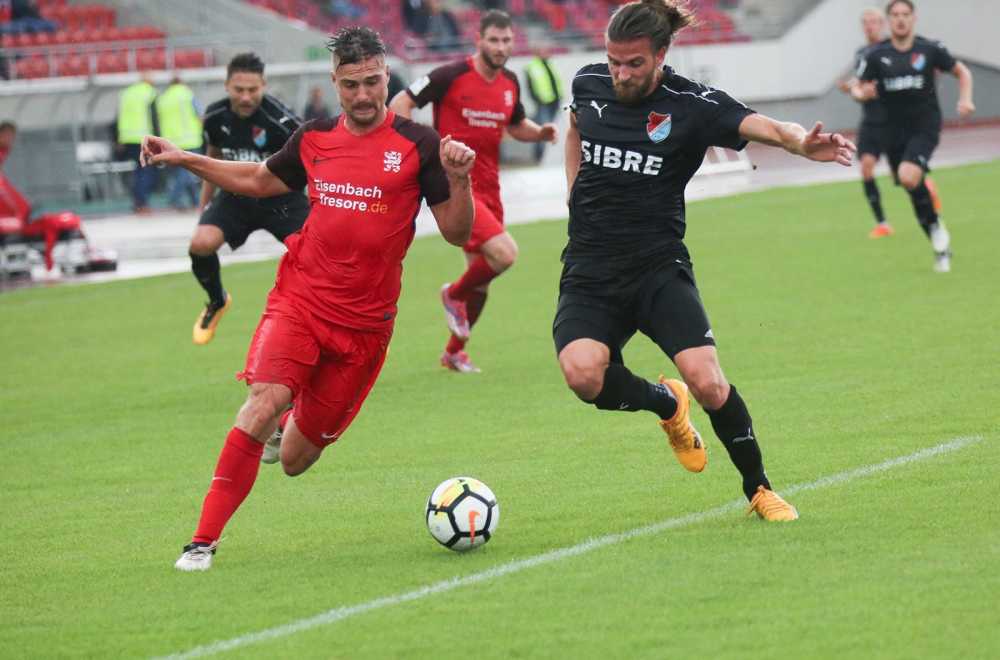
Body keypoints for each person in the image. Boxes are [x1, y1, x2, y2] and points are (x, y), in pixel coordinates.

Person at [141, 26, 476, 571]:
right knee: (261, 403)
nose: (363, 95)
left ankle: (288, 422)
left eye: (373, 81)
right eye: (351, 84)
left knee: (296, 459)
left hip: (365, 328)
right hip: (299, 300)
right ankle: (201, 544)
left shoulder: (420, 144)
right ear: (334, 83)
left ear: (387, 76)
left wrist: (460, 181)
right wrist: (184, 158)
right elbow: (258, 180)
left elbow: (458, 234)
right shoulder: (313, 138)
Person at [557, 0, 856, 521]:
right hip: (590, 268)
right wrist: (572, 190)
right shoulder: (588, 83)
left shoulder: (693, 105)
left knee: (709, 382)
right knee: (582, 375)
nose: (621, 74)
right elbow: (575, 129)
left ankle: (759, 489)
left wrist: (802, 144)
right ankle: (666, 404)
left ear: (661, 55)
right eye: (613, 61)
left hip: (656, 268)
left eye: (634, 63)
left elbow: (768, 127)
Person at [390, 10, 558, 372]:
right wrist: (424, 149)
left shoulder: (510, 81)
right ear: (479, 40)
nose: (500, 47)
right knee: (504, 254)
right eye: (493, 40)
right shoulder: (449, 75)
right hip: (455, 186)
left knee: (480, 281)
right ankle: (452, 293)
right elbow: (400, 103)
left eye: (506, 40)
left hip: (491, 187)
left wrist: (539, 133)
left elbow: (516, 124)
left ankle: (454, 352)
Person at [189, 53, 310, 345]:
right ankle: (217, 301)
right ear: (227, 85)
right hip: (236, 197)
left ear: (263, 86)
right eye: (239, 89)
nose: (245, 97)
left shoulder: (283, 121)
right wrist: (204, 207)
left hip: (282, 199)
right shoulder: (215, 116)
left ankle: (331, 316)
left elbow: (312, 164)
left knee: (319, 257)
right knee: (200, 244)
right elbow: (212, 161)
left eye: (252, 90)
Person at [852, 0, 974, 272]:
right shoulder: (877, 54)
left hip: (924, 125)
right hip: (892, 130)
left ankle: (936, 233)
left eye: (905, 14)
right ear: (889, 20)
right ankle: (936, 234)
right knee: (908, 184)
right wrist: (862, 93)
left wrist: (965, 100)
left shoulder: (930, 49)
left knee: (908, 176)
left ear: (913, 19)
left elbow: (962, 72)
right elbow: (858, 87)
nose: (900, 19)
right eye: (895, 15)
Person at [838, 8, 898, 238]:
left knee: (899, 175)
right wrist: (854, 88)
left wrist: (876, 89)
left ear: (882, 25)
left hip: (893, 119)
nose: (869, 26)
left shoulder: (891, 48)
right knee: (866, 168)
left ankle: (927, 189)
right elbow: (862, 79)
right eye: (865, 22)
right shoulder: (862, 53)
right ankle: (883, 223)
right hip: (871, 119)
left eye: (873, 22)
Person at [155, 75, 204, 210]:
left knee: (182, 173)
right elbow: (200, 116)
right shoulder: (187, 95)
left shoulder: (163, 98)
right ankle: (174, 199)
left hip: (171, 142)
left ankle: (196, 200)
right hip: (190, 140)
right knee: (186, 173)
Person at [116, 73, 159, 214]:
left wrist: (118, 138)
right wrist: (157, 138)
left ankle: (137, 201)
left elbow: (118, 117)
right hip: (143, 138)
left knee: (139, 170)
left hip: (127, 138)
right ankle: (141, 203)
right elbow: (154, 117)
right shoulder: (149, 93)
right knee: (145, 170)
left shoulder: (126, 93)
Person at [524, 42, 565, 162]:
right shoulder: (532, 66)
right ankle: (539, 154)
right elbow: (530, 87)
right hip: (543, 103)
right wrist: (537, 100)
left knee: (557, 127)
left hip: (555, 101)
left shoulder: (551, 63)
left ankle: (554, 154)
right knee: (541, 129)